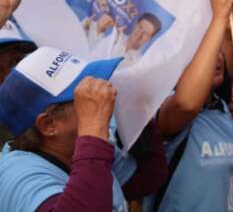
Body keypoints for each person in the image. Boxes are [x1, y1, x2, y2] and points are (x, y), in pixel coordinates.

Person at [0, 47, 167, 211]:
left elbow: (145, 180)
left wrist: (137, 107)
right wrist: (94, 131)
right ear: (49, 124)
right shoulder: (18, 175)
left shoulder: (75, 148)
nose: (103, 99)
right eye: (86, 98)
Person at [144, 0, 233, 211]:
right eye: (201, 52)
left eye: (216, 52)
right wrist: (219, 17)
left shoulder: (223, 110)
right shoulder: (166, 110)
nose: (215, 58)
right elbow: (187, 103)